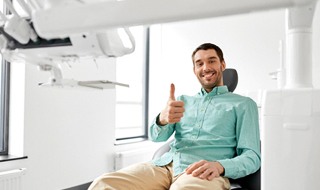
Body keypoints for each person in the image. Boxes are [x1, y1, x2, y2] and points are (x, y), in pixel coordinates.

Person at [88, 43, 261, 190]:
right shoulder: (182, 101)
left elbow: (252, 157)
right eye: (199, 63)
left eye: (212, 61)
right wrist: (162, 119)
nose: (205, 67)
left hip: (203, 172)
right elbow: (156, 137)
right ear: (194, 70)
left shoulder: (244, 104)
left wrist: (220, 166)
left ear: (223, 65)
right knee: (103, 183)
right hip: (164, 166)